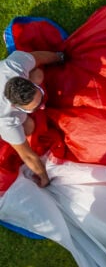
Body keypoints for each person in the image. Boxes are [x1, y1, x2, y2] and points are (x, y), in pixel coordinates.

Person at [0, 49, 66, 187]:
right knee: (29, 127)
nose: (42, 107)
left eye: (40, 95)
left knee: (37, 75)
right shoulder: (6, 121)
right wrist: (44, 178)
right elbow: (28, 155)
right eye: (35, 108)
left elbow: (39, 57)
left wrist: (59, 57)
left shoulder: (14, 65)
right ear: (14, 106)